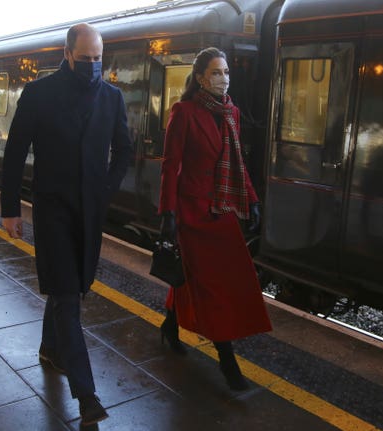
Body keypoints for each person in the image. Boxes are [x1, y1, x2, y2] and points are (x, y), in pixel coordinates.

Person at [0, 23, 133, 426]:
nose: (93, 66)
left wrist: (105, 191)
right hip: (52, 210)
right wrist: (10, 208)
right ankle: (87, 395)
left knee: (70, 288)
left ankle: (50, 349)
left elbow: (125, 150)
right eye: (86, 58)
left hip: (89, 213)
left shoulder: (112, 97)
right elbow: (14, 152)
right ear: (68, 53)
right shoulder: (39, 94)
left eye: (99, 59)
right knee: (68, 296)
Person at [158, 47, 272, 390]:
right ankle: (227, 362)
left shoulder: (232, 112)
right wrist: (168, 214)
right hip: (192, 212)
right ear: (200, 78)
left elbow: (237, 162)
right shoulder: (184, 112)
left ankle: (169, 325)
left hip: (221, 209)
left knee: (208, 279)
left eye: (226, 73)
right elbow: (170, 166)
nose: (223, 79)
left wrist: (251, 200)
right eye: (216, 73)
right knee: (212, 286)